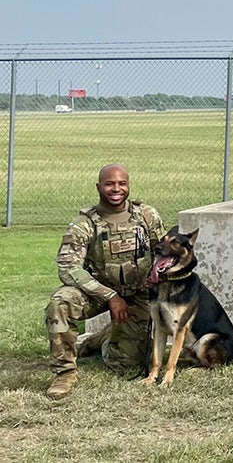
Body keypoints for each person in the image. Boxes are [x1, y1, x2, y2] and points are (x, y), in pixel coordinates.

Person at [43, 164, 168, 399]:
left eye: (122, 183)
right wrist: (110, 296)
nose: (116, 189)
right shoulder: (84, 224)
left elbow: (163, 253)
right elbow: (68, 267)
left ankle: (101, 339)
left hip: (136, 295)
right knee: (60, 303)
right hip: (96, 293)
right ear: (99, 187)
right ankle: (65, 372)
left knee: (127, 368)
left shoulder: (147, 216)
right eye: (109, 183)